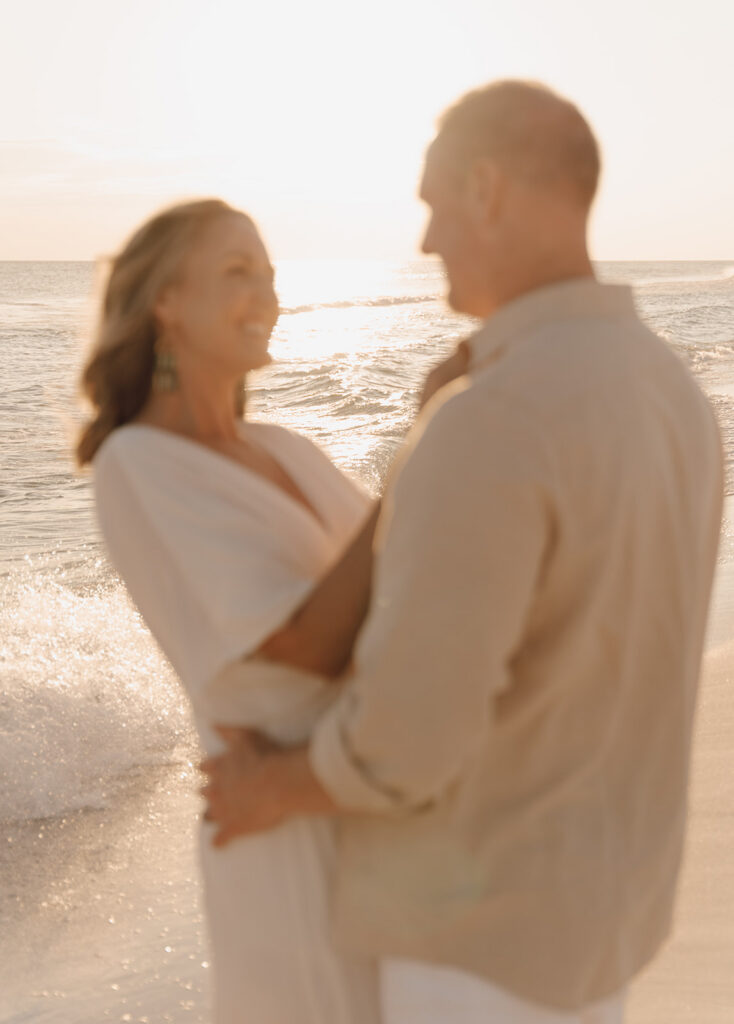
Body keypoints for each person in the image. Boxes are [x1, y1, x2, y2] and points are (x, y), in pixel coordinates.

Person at [202, 81, 724, 1023]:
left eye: (435, 202)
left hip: (479, 949)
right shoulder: (672, 391)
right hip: (602, 920)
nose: (428, 239)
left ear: (486, 188)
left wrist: (271, 786)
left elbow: (412, 735)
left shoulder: (493, 418)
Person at [79, 198, 388, 1023]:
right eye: (237, 271)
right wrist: (422, 467)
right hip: (280, 830)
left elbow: (411, 588)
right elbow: (299, 644)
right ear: (165, 303)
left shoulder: (289, 448)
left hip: (368, 804)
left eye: (272, 273)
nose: (269, 294)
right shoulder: (138, 462)